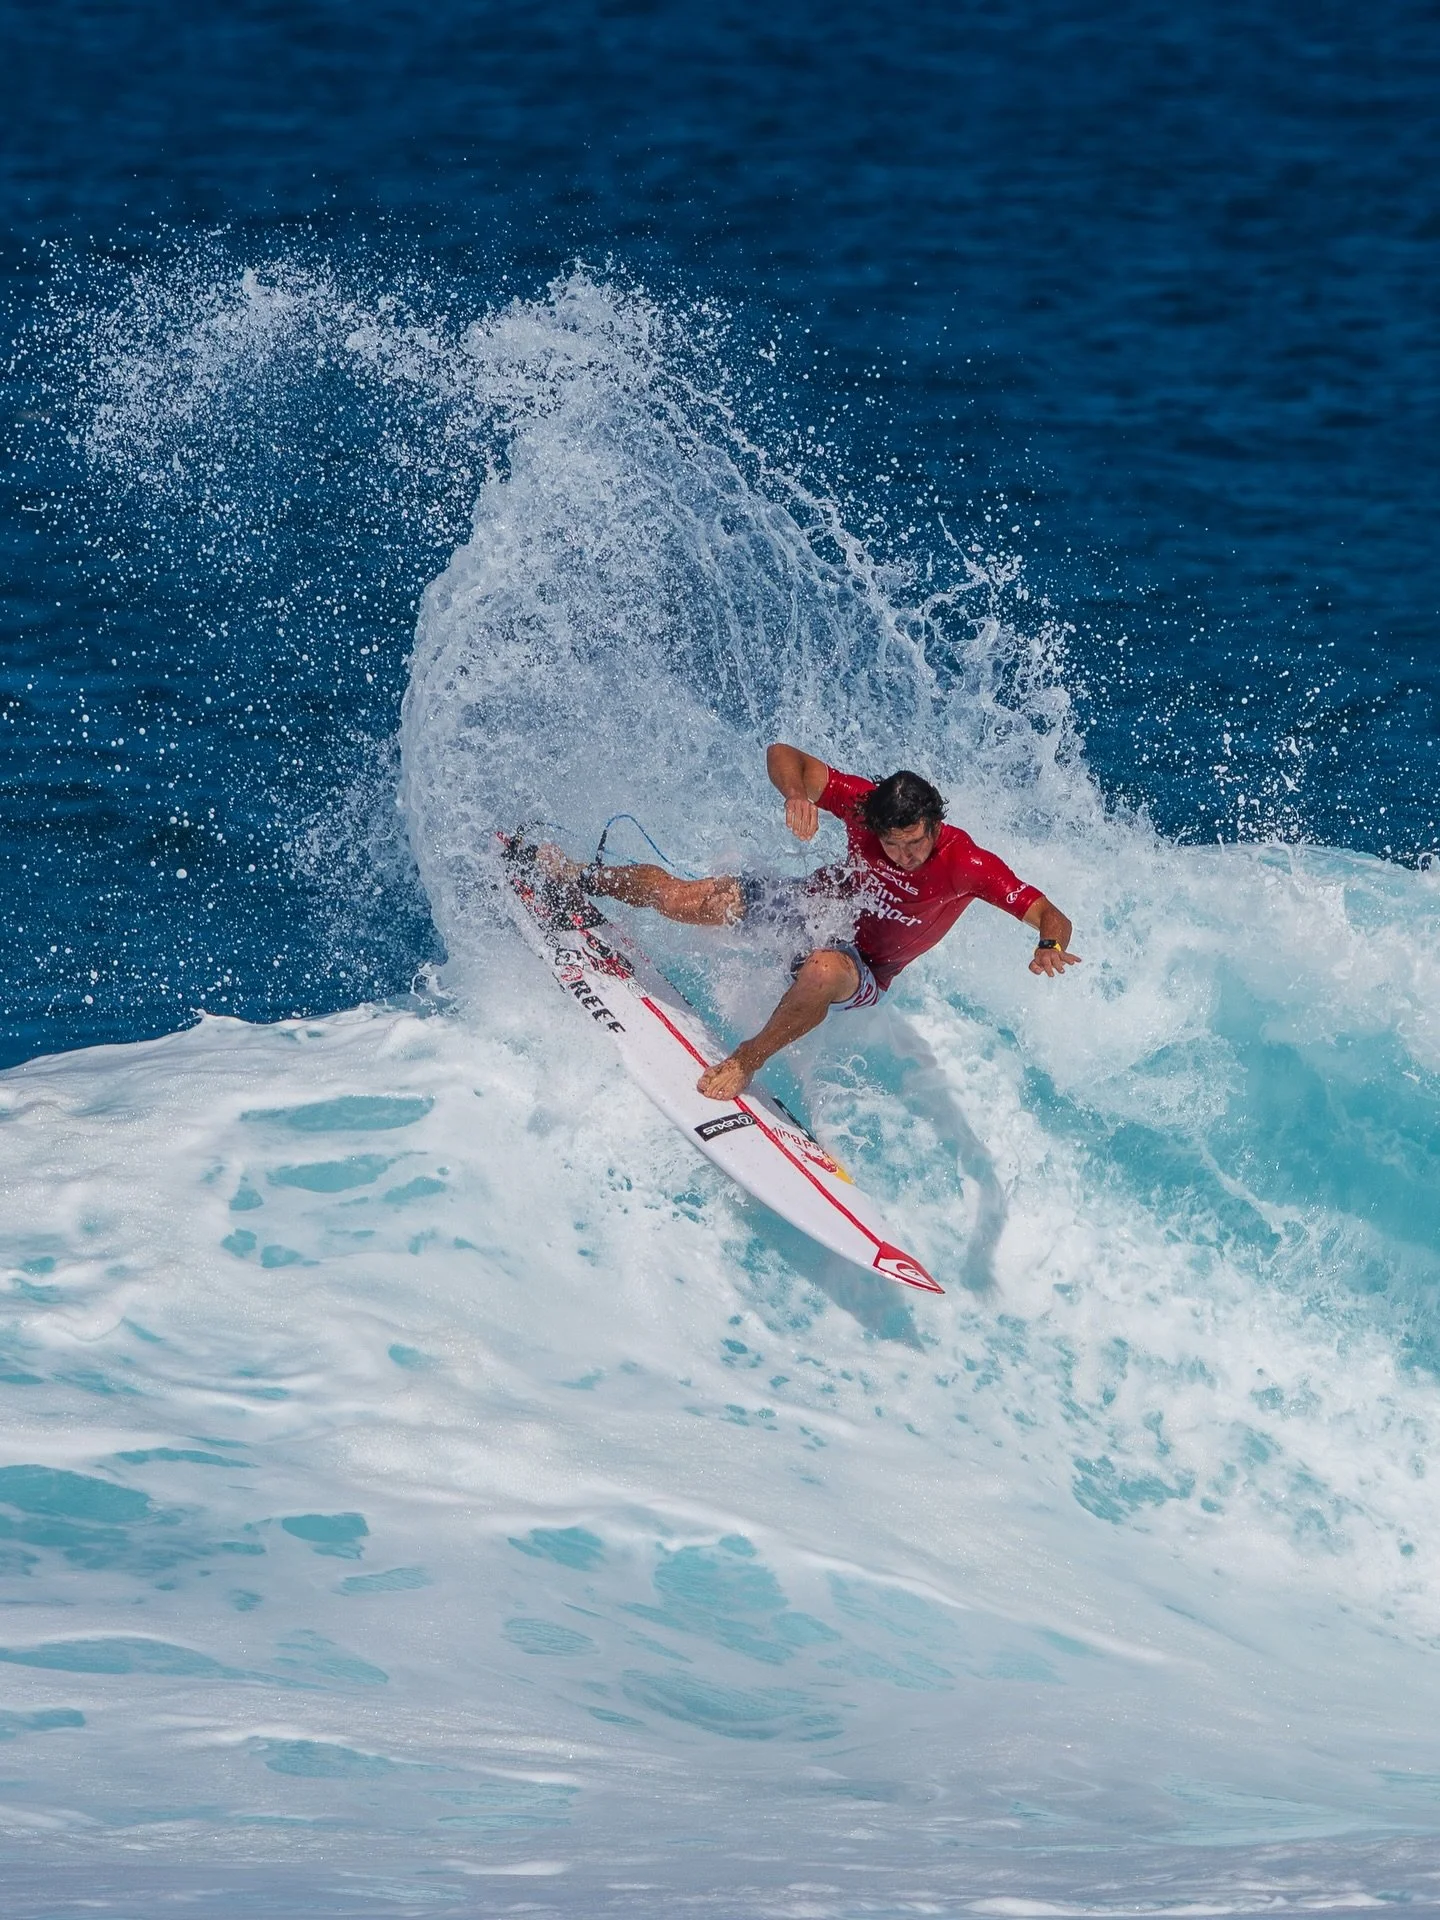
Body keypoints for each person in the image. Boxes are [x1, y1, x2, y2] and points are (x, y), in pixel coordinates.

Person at [541, 742, 1080, 1100]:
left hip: (864, 967)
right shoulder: (863, 808)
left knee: (823, 971)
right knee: (693, 900)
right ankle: (578, 879)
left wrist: (1049, 943)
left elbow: (1047, 911)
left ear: (935, 823)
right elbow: (783, 754)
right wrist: (797, 795)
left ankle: (745, 1060)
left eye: (915, 843)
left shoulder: (967, 864)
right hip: (815, 908)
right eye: (893, 846)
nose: (904, 856)